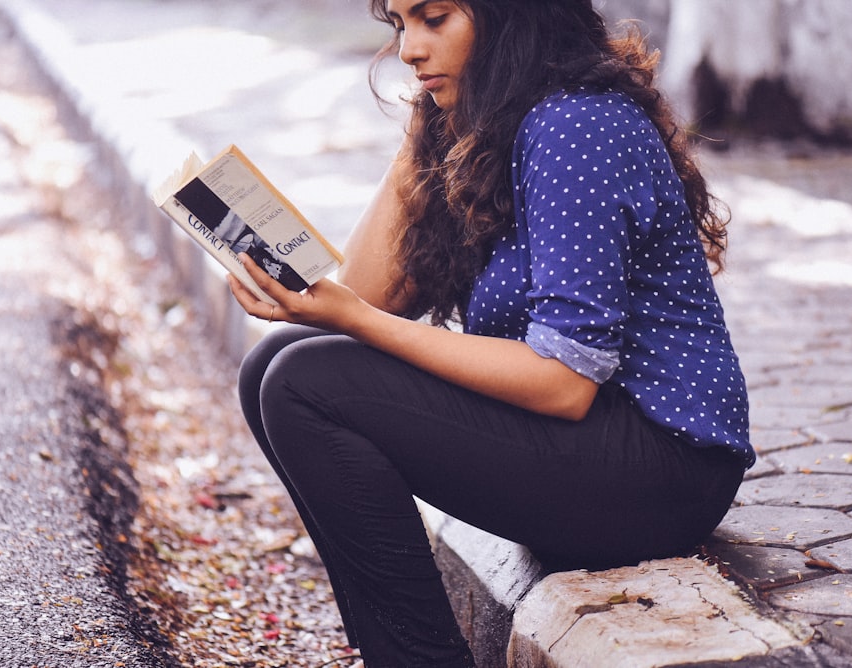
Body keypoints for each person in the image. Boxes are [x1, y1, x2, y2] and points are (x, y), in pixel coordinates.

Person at [228, 1, 754, 665]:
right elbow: (368, 296)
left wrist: (353, 317)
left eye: (434, 19)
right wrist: (425, 131)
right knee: (277, 360)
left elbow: (564, 383)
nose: (409, 51)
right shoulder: (491, 125)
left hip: (661, 468)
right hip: (590, 446)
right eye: (399, 26)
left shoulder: (577, 125)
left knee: (305, 383)